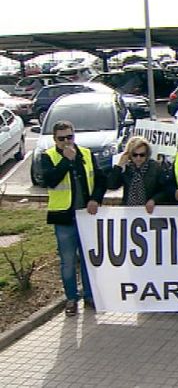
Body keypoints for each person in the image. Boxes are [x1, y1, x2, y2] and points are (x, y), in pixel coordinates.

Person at [42, 120, 107, 316]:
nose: (66, 142)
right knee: (68, 261)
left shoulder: (86, 154)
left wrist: (95, 199)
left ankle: (89, 295)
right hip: (64, 218)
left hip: (85, 216)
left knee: (88, 259)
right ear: (55, 140)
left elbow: (100, 180)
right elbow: (50, 181)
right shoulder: (48, 157)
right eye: (61, 139)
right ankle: (71, 298)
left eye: (69, 137)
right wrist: (66, 160)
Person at [106, 136, 172, 212]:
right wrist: (119, 166)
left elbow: (165, 190)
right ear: (130, 155)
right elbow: (111, 185)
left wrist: (154, 200)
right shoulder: (126, 168)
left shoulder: (155, 167)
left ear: (147, 154)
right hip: (129, 210)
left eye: (142, 155)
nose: (138, 158)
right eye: (135, 155)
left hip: (150, 211)